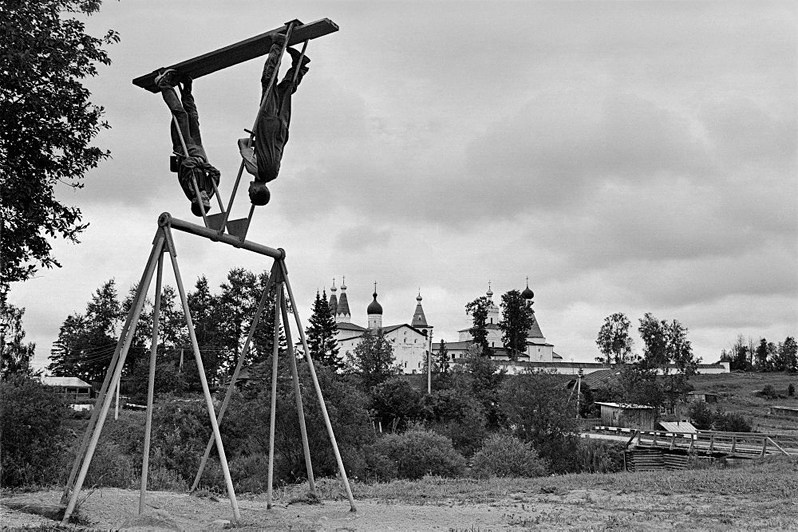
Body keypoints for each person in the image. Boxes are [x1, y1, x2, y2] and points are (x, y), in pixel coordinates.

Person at [238, 33, 310, 206]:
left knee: (284, 92)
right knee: (268, 83)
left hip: (281, 130)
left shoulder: (274, 174)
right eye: (250, 194)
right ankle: (277, 45)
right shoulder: (253, 169)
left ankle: (300, 66)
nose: (248, 191)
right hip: (267, 125)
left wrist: (260, 144)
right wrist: (256, 142)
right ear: (256, 191)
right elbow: (241, 142)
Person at [155, 69, 220, 217]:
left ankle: (164, 85)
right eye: (208, 201)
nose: (206, 197)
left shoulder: (190, 188)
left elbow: (186, 165)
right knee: (193, 116)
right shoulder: (210, 191)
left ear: (195, 200)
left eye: (203, 200)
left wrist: (199, 163)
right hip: (198, 148)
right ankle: (187, 88)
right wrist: (204, 164)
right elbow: (216, 174)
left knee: (181, 116)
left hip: (184, 147)